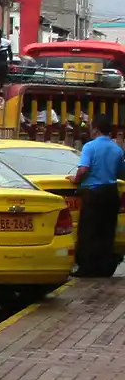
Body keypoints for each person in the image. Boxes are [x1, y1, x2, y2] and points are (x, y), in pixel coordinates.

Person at [67, 114, 125, 278]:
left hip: (94, 193)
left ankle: (87, 268)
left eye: (92, 127)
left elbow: (84, 169)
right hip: (111, 192)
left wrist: (75, 179)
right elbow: (121, 171)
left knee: (89, 232)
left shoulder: (90, 147)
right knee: (107, 231)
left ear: (96, 129)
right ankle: (104, 267)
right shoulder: (117, 149)